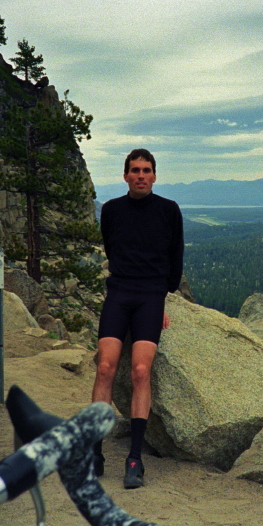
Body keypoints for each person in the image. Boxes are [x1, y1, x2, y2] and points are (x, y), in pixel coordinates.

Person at [90, 148, 184, 489]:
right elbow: (111, 247)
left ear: (155, 176)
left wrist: (163, 300)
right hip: (119, 293)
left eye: (146, 170)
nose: (140, 175)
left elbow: (176, 255)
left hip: (150, 296)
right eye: (134, 170)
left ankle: (134, 459)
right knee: (105, 368)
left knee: (141, 371)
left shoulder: (169, 211)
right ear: (126, 175)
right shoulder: (112, 210)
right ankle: (95, 452)